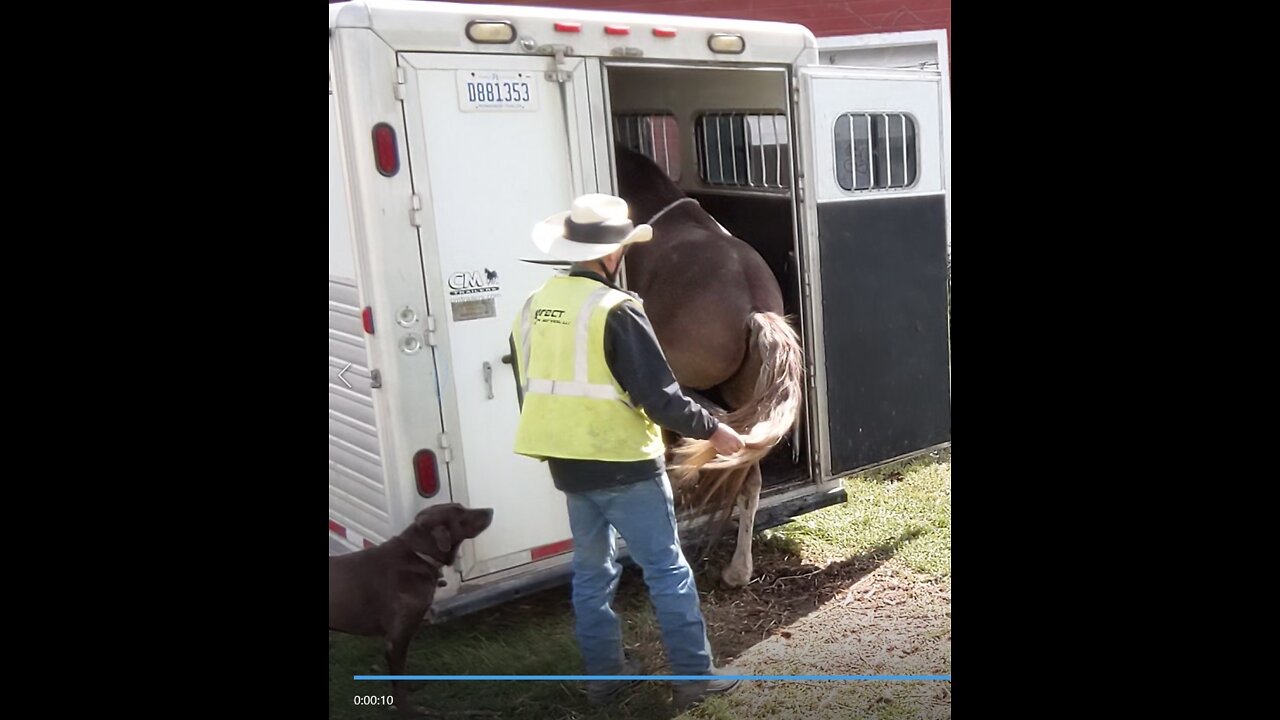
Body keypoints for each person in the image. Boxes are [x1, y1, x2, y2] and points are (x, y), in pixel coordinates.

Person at [510, 193, 745, 709]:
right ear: (613, 253)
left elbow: (528, 386)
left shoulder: (533, 306)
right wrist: (714, 430)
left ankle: (604, 677)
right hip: (625, 466)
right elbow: (659, 396)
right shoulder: (617, 310)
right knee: (666, 570)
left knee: (591, 574)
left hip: (568, 468)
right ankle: (694, 676)